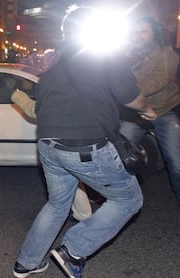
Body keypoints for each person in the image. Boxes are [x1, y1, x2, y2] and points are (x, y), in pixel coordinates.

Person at [12, 6, 157, 278]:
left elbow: (40, 106)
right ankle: (73, 250)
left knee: (57, 203)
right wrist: (147, 110)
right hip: (83, 145)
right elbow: (129, 95)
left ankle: (27, 263)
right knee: (128, 199)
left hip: (48, 144)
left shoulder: (54, 65)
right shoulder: (103, 54)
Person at [11, 50, 93, 222]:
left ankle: (81, 220)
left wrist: (17, 95)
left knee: (58, 201)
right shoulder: (80, 77)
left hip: (60, 140)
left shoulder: (53, 81)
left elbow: (35, 111)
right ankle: (84, 214)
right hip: (76, 137)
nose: (42, 63)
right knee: (73, 177)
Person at [120, 16, 180, 202]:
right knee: (119, 157)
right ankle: (118, 198)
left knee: (176, 161)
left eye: (144, 31)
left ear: (155, 33)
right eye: (136, 31)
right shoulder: (126, 54)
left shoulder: (168, 55)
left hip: (164, 110)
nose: (139, 36)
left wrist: (120, 91)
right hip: (135, 113)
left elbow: (155, 83)